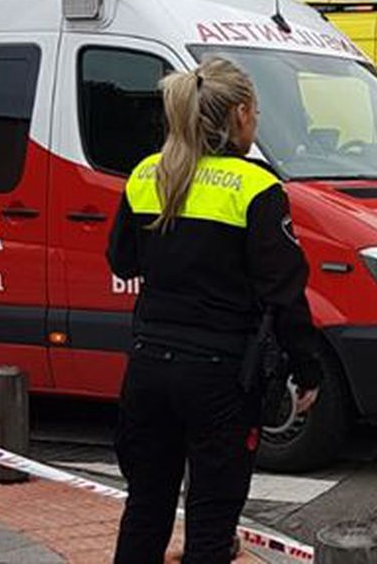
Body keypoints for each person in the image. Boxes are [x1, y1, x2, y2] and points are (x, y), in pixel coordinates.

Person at [107, 57, 322, 564]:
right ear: (241, 113)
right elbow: (284, 291)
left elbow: (121, 259)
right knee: (210, 524)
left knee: (145, 508)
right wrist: (306, 367)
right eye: (257, 113)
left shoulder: (146, 174)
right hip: (220, 378)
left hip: (148, 368)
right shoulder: (256, 187)